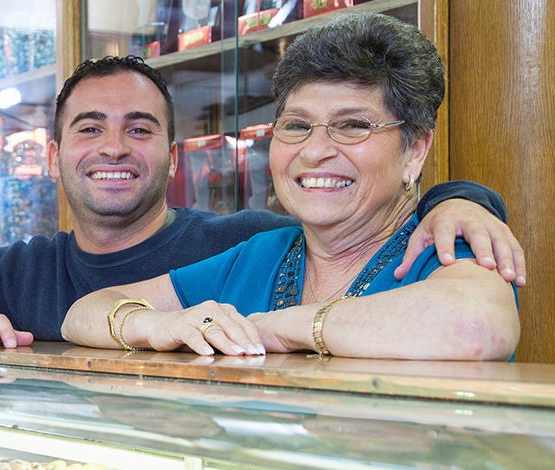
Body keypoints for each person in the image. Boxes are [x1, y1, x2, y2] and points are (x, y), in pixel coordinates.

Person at [0, 53, 525, 359]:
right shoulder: (18, 270)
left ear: (172, 153)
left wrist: (459, 198)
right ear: (52, 156)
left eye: (139, 128)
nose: (114, 148)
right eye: (88, 128)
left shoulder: (240, 241)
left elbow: (377, 234)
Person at [61, 13, 518, 361]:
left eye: (353, 125)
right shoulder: (261, 254)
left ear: (415, 149)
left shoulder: (445, 243)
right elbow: (84, 313)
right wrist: (157, 325)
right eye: (297, 125)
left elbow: (473, 327)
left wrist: (282, 328)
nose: (315, 150)